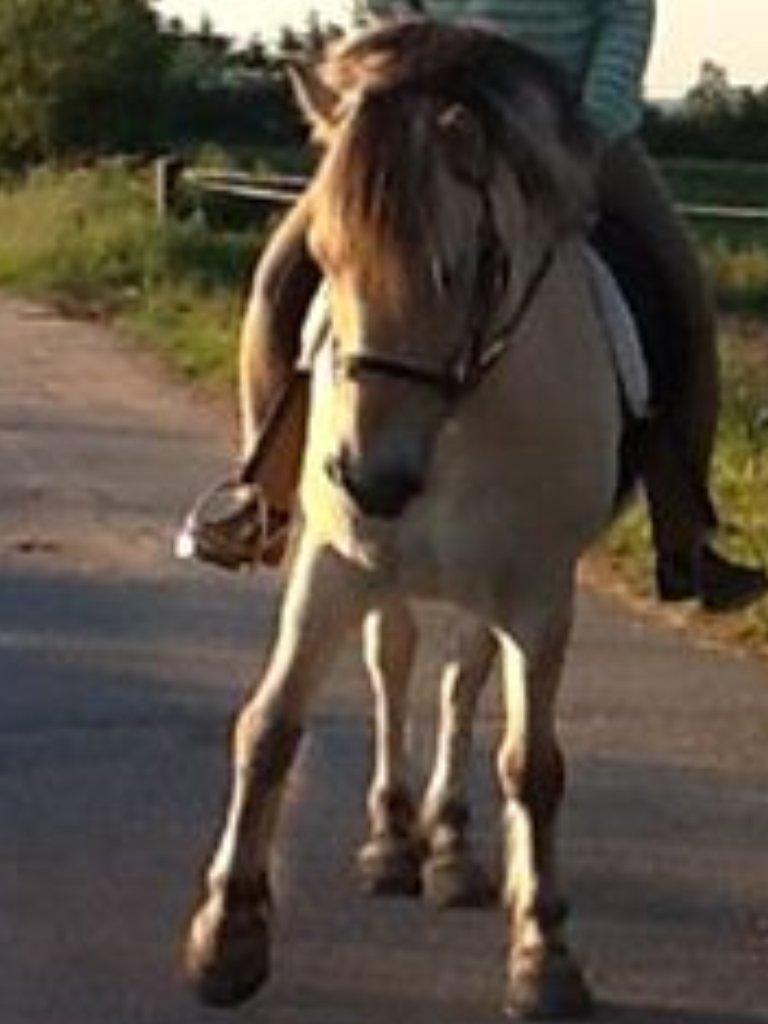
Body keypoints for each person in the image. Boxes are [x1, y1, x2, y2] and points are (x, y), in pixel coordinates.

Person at [178, 0, 767, 612]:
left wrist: (593, 123)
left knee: (683, 294)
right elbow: (376, 7)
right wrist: (386, 100)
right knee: (278, 279)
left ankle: (685, 536)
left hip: (555, 122)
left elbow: (626, 14)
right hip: (420, 119)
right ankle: (263, 501)